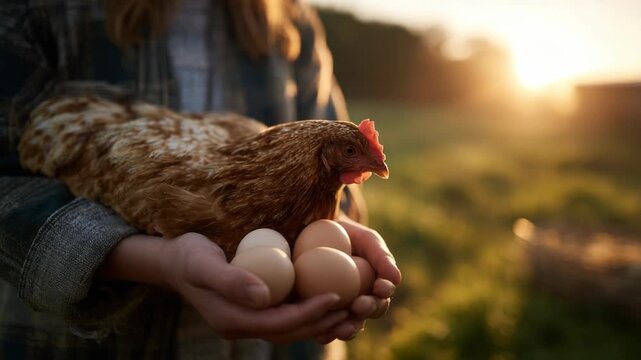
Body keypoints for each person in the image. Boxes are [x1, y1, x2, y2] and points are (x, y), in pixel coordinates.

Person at [0, 0, 402, 358]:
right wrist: (155, 261)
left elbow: (333, 194)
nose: (368, 163)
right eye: (351, 151)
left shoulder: (293, 19)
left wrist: (340, 228)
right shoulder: (36, 9)